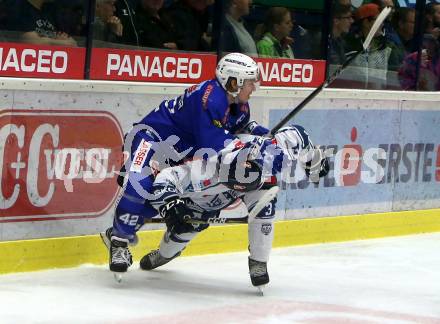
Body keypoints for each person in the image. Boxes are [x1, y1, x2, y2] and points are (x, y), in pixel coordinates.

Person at [102, 125, 330, 288]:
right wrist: (172, 207)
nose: (239, 185)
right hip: (200, 200)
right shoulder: (207, 167)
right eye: (236, 180)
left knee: (264, 212)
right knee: (178, 226)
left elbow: (303, 138)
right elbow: (164, 180)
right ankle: (155, 250)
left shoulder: (276, 150)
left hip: (257, 182)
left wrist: (316, 163)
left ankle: (259, 262)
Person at [106, 53, 271, 274]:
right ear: (234, 82)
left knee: (153, 199)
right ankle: (119, 243)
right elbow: (212, 144)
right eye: (250, 83)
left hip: (178, 150)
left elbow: (239, 128)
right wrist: (249, 147)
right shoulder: (210, 98)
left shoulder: (238, 105)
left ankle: (118, 233)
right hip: (152, 137)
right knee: (139, 183)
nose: (254, 88)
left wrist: (266, 135)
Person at [8, 0, 77, 46]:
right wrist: (62, 43)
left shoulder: (48, 11)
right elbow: (30, 40)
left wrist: (50, 41)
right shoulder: (20, 9)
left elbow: (71, 42)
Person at [329, 3, 354, 70]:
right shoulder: (323, 42)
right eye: (348, 18)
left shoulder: (340, 42)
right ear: (336, 21)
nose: (352, 21)